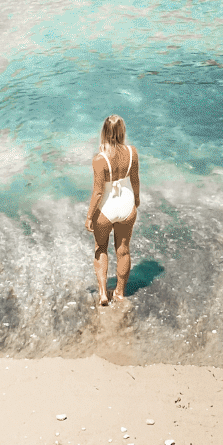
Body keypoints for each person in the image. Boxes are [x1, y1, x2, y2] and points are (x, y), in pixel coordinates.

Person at [84, 113, 140, 306]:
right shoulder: (132, 152)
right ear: (122, 131)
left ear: (104, 133)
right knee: (123, 250)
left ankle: (102, 294)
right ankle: (119, 292)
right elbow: (135, 181)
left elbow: (98, 192)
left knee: (101, 248)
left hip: (107, 208)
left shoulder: (99, 159)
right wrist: (137, 200)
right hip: (126, 204)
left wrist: (89, 216)